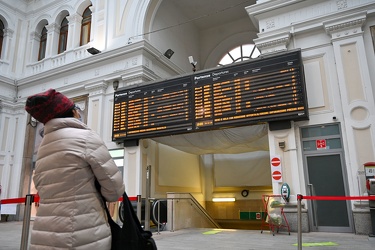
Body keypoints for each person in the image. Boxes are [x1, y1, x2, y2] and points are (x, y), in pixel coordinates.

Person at [25, 89, 125, 250]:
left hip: (43, 235)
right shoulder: (86, 138)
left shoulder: (43, 147)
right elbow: (114, 190)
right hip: (83, 235)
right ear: (73, 112)